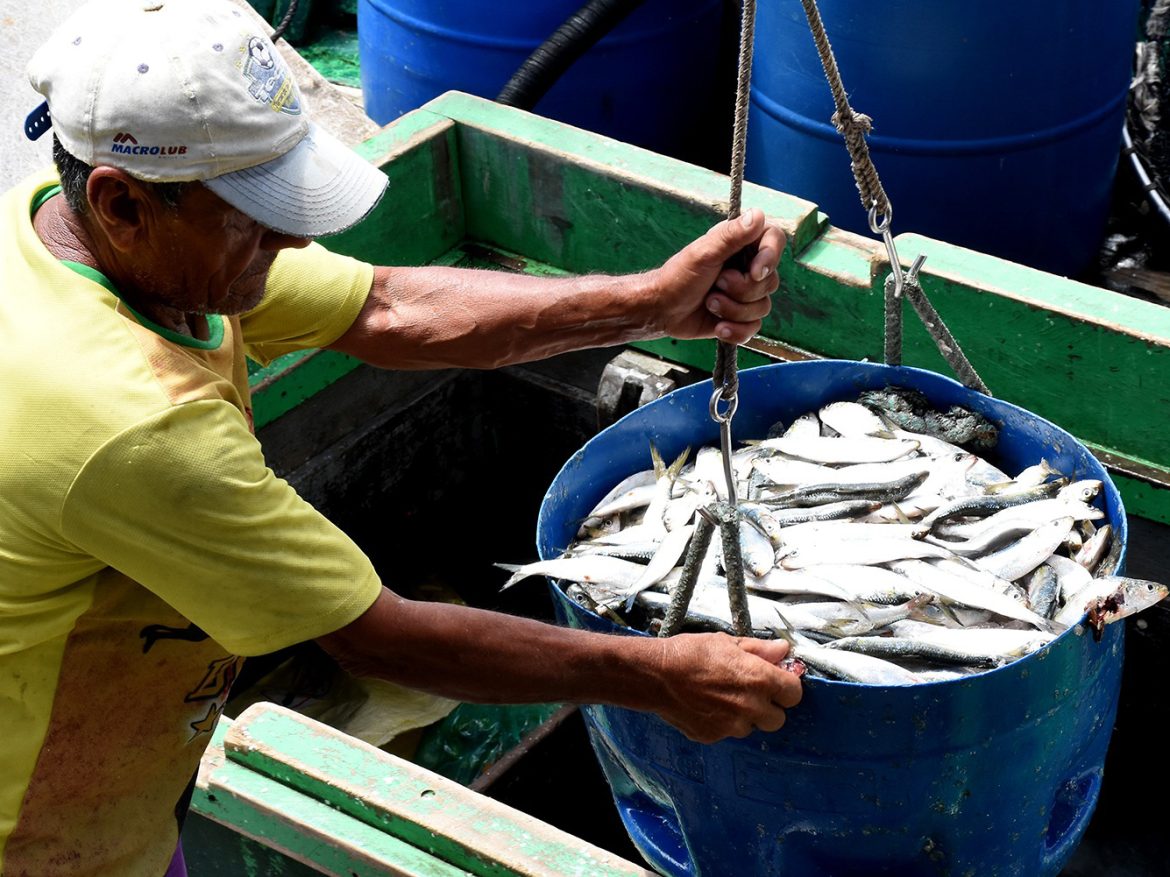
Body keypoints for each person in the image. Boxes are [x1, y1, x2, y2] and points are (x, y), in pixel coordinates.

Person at [0, 0, 802, 874]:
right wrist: (659, 675)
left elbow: (385, 306)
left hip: (123, 777)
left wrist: (651, 304)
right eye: (259, 210)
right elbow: (377, 636)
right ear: (122, 203)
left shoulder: (69, 231)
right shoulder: (136, 423)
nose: (296, 234)